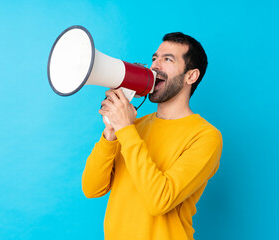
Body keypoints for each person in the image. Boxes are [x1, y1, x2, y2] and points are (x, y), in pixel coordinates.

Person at [81, 32, 223, 240]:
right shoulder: (133, 126)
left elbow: (159, 201)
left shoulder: (205, 136)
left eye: (168, 59)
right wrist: (111, 132)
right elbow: (92, 188)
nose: (155, 66)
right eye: (154, 58)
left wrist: (125, 129)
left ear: (191, 76)